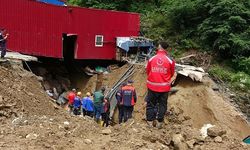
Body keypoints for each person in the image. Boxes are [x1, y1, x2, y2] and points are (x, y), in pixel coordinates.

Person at [146, 41, 175, 129]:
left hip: (152, 86)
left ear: (159, 46)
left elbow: (148, 71)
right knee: (162, 105)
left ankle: (150, 122)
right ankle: (159, 122)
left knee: (151, 104)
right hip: (164, 87)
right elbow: (172, 73)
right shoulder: (170, 60)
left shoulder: (152, 59)